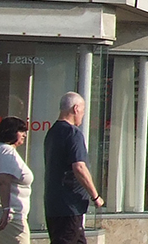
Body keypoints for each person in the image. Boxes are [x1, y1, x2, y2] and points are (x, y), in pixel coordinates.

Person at [44, 92, 104, 244]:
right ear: (76, 108)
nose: (83, 116)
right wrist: (95, 195)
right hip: (69, 205)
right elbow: (79, 167)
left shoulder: (52, 133)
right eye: (83, 111)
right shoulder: (72, 133)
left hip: (55, 203)